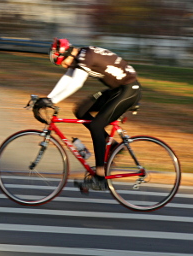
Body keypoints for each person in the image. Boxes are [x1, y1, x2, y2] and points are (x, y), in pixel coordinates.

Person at [33, 38, 142, 192]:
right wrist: (48, 98)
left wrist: (52, 100)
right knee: (81, 110)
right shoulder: (80, 55)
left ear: (68, 54)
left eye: (62, 62)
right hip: (117, 90)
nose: (63, 66)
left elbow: (76, 83)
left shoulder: (86, 57)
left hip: (129, 90)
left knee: (97, 125)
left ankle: (100, 178)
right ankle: (112, 147)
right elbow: (67, 78)